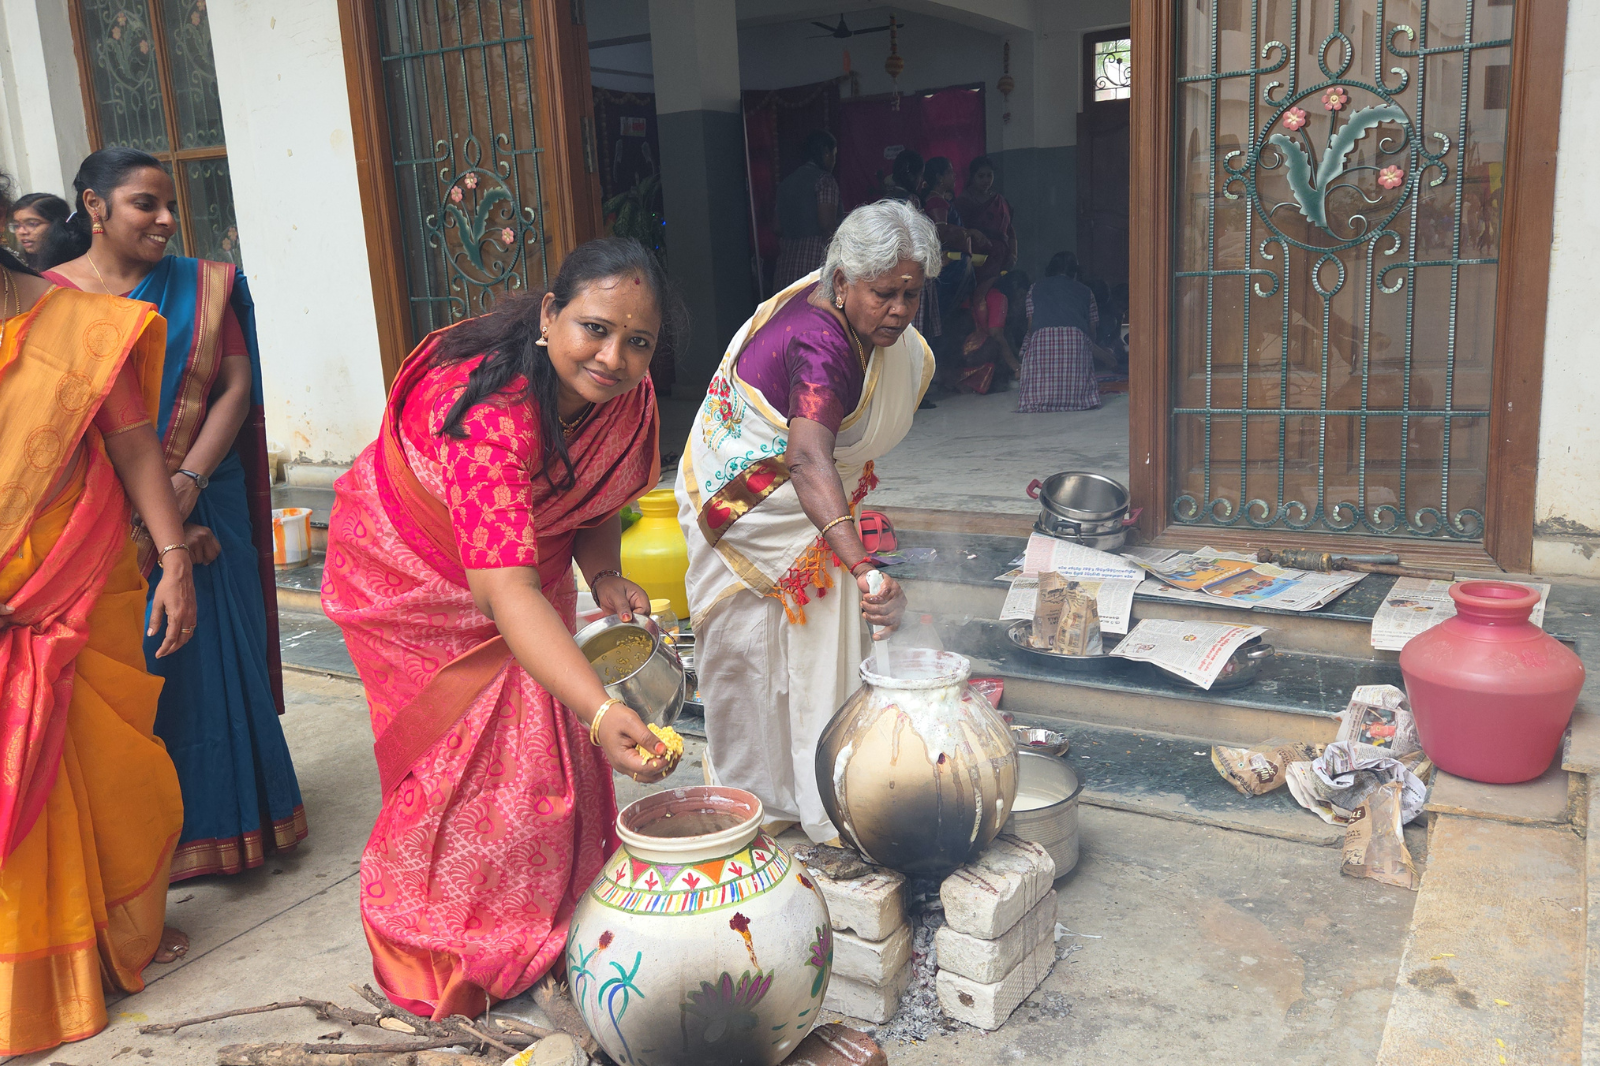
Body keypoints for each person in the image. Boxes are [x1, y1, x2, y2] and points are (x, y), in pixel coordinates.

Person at [321, 237, 682, 1019]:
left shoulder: (626, 394)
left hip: (516, 570)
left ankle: (546, 915)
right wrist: (603, 710)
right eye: (595, 329)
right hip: (414, 582)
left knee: (544, 757)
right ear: (550, 316)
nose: (613, 358)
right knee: (460, 770)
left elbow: (593, 493)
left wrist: (603, 575)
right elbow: (507, 591)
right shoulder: (488, 409)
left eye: (638, 341)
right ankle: (442, 943)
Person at [45, 147, 305, 880]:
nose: (165, 219)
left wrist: (187, 481)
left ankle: (239, 821)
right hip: (103, 509)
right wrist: (156, 517)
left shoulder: (203, 285)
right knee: (140, 669)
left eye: (169, 206)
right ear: (94, 207)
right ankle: (154, 840)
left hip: (208, 489)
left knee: (213, 654)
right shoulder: (52, 299)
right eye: (144, 204)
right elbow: (61, 425)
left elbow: (235, 386)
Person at [0, 168, 197, 1055]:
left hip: (78, 586)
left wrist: (174, 557)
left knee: (112, 767)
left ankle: (114, 937)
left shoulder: (78, 326)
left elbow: (133, 447)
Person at [676, 200, 936, 843]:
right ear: (841, 281)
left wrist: (852, 558)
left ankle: (821, 794)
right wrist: (863, 564)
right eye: (884, 294)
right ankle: (756, 798)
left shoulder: (850, 318)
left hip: (811, 507)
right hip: (746, 505)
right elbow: (807, 459)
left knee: (816, 651)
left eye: (911, 294)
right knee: (750, 659)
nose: (900, 311)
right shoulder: (821, 342)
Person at [1016, 251, 1102, 412]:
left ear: (1050, 268)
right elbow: (1092, 331)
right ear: (1075, 271)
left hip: (1042, 342)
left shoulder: (1034, 288)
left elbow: (1031, 327)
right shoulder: (1086, 291)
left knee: (1030, 341)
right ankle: (1080, 400)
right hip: (1076, 343)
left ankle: (1038, 398)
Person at [773, 130, 841, 290]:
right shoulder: (824, 180)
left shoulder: (786, 183)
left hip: (785, 268)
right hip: (813, 266)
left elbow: (776, 227)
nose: (834, 161)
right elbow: (826, 224)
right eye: (834, 155)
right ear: (826, 152)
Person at [954, 156, 1018, 286]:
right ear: (972, 177)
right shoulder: (964, 201)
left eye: (989, 175)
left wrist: (1013, 254)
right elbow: (958, 232)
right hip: (977, 260)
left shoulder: (1000, 201)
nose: (986, 180)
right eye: (981, 176)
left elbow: (1010, 230)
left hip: (1001, 259)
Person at [7, 192, 70, 270]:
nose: (21, 232)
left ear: (59, 224)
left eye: (32, 224)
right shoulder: (19, 266)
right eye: (16, 226)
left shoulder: (76, 264)